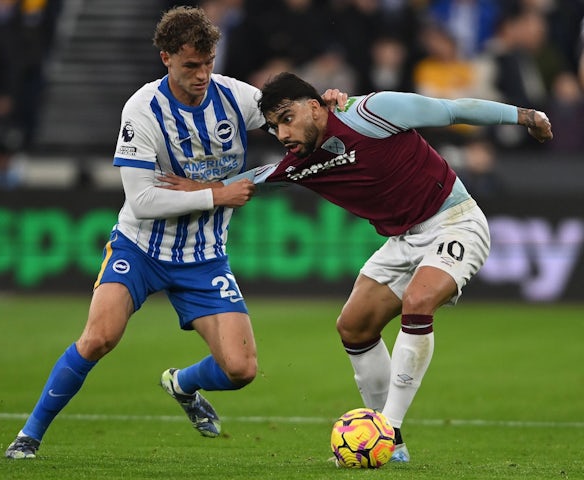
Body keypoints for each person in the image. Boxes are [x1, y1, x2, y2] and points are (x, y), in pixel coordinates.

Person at [4, 6, 344, 460]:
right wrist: (215, 195)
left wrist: (331, 104)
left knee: (241, 370)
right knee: (99, 337)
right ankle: (28, 436)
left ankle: (181, 384)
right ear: (166, 58)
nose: (203, 74)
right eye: (191, 66)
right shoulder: (143, 110)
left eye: (208, 63)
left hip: (205, 256)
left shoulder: (236, 98)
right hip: (141, 247)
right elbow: (142, 200)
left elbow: (293, 118)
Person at [160, 72, 552, 463]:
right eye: (274, 127)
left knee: (418, 300)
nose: (281, 134)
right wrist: (201, 191)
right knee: (353, 326)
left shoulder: (370, 111)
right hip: (403, 240)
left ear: (314, 106)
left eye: (286, 118)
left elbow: (450, 110)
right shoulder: (299, 164)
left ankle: (388, 430)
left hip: (456, 221)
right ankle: (393, 447)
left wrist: (524, 115)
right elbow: (252, 182)